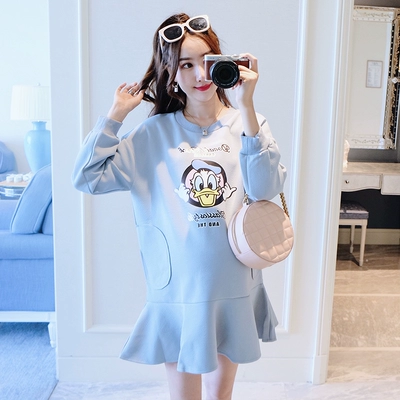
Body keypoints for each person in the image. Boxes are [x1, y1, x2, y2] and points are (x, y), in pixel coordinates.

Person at [72, 12, 287, 400]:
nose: (200, 74)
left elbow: (265, 188)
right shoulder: (153, 133)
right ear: (170, 74)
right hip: (177, 289)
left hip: (235, 282)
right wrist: (116, 115)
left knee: (220, 395)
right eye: (185, 64)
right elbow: (87, 178)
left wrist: (247, 106)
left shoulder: (248, 123)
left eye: (207, 60)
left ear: (224, 62)